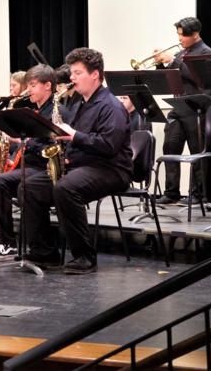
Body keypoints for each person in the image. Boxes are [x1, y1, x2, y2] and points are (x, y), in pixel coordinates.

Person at [20, 47, 132, 274]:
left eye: (78, 73)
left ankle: (84, 257)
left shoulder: (111, 106)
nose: (71, 78)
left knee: (66, 188)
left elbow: (108, 146)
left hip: (111, 169)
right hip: (84, 165)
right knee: (29, 186)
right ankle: (44, 253)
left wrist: (74, 136)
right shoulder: (81, 103)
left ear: (95, 74)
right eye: (72, 72)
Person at [0, 64, 70, 261]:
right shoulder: (32, 111)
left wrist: (26, 142)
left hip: (40, 167)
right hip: (22, 165)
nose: (29, 90)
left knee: (0, 182)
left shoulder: (57, 111)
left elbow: (54, 145)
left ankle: (7, 243)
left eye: (33, 85)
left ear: (47, 86)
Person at [154, 17, 211, 205]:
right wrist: (161, 64)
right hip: (178, 107)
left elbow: (199, 78)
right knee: (170, 148)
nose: (179, 38)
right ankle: (171, 191)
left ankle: (197, 194)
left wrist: (173, 60)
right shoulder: (181, 54)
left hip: (196, 109)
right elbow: (168, 79)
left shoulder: (206, 52)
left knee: (196, 152)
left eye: (182, 35)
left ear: (195, 34)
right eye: (178, 34)